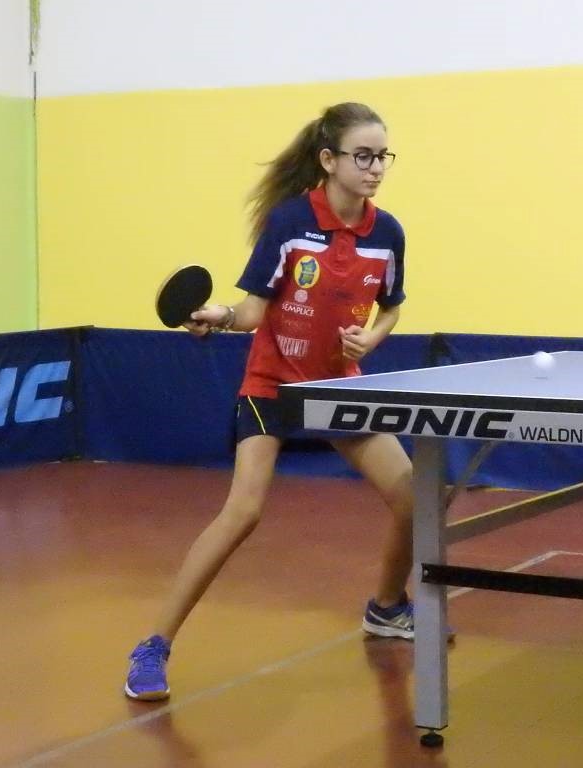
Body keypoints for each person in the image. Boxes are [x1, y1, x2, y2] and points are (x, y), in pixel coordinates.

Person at [125, 102, 415, 701]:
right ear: (329, 160)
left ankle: (387, 607)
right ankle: (153, 645)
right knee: (243, 513)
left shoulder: (387, 234)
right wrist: (220, 316)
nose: (375, 167)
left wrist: (372, 338)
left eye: (382, 156)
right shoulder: (289, 222)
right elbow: (254, 310)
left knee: (415, 499)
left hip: (335, 386)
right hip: (272, 386)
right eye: (363, 156)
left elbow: (390, 307)